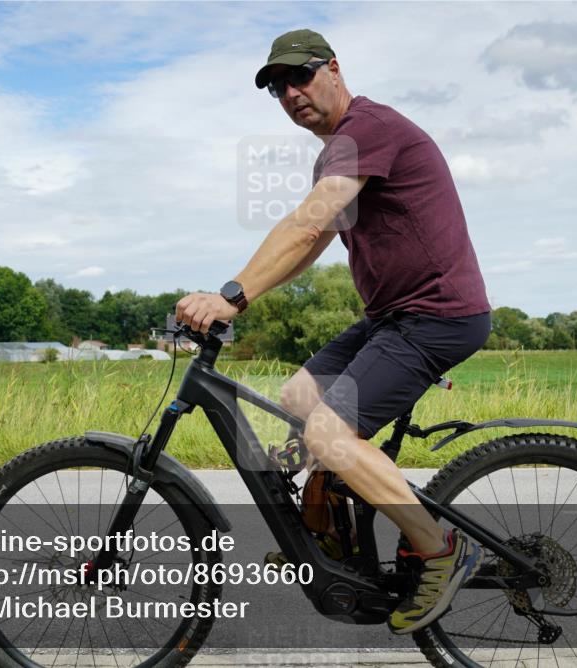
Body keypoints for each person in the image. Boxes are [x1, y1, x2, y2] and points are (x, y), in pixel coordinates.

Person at [175, 28, 492, 634]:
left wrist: (232, 296)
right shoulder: (339, 151)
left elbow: (305, 225)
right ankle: (335, 543)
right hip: (392, 316)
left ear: (335, 69)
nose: (291, 93)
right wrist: (249, 295)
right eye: (278, 88)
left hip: (437, 315)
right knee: (299, 396)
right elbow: (315, 239)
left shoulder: (367, 130)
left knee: (327, 431)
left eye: (301, 75)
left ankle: (442, 551)